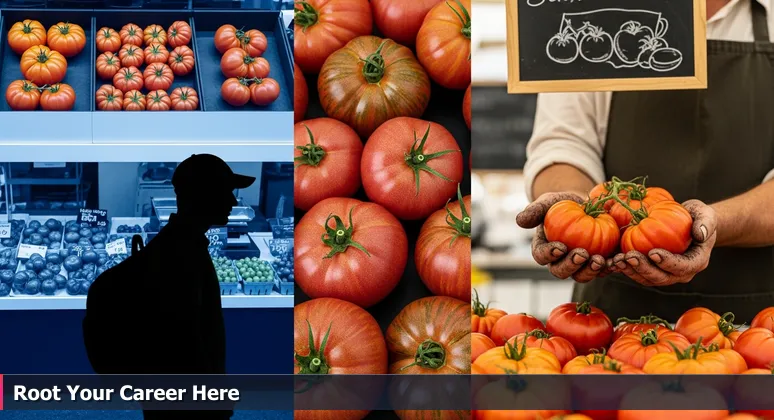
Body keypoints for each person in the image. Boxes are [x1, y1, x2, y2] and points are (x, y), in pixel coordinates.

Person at [516, 0, 774, 324]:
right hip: (609, 324)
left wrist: (711, 224)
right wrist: (577, 213)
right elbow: (563, 142)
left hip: (759, 324)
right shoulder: (593, 12)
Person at [87, 154, 254, 420]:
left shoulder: (178, 245)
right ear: (203, 195)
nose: (233, 201)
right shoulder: (181, 258)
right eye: (226, 191)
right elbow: (189, 342)